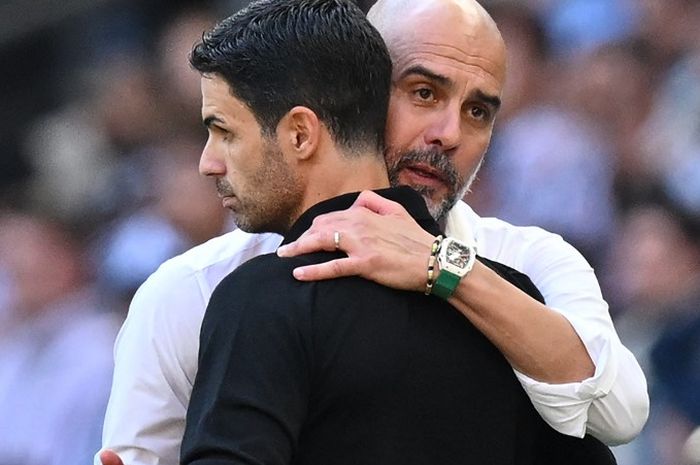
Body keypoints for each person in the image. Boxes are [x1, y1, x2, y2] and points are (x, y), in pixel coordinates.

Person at [97, 0, 648, 464]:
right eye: (424, 93)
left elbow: (618, 412)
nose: (449, 133)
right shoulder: (192, 290)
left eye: (478, 112)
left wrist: (442, 268)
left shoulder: (526, 265)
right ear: (357, 89)